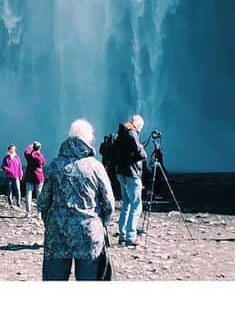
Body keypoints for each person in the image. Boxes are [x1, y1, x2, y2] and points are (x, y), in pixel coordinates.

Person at [38, 119, 115, 281]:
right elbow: (109, 203)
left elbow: (43, 201)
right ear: (89, 140)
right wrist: (103, 224)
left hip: (57, 233)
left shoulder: (54, 165)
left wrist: (50, 221)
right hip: (89, 234)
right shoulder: (96, 167)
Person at [115, 114, 147, 247]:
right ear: (138, 125)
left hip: (121, 172)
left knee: (126, 203)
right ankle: (131, 236)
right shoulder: (132, 133)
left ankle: (122, 235)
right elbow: (141, 153)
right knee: (136, 204)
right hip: (132, 174)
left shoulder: (122, 132)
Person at [23, 141, 46, 216]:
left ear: (33, 147)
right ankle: (39, 213)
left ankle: (28, 212)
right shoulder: (40, 156)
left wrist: (30, 146)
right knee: (39, 195)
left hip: (29, 176)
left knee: (28, 194)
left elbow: (26, 151)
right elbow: (43, 162)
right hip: (39, 177)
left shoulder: (29, 155)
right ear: (40, 148)